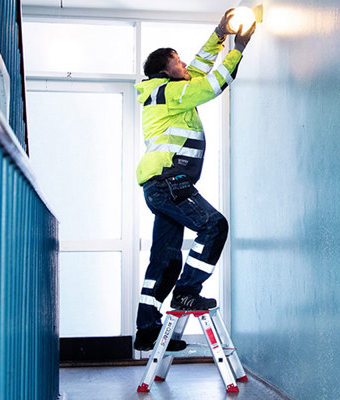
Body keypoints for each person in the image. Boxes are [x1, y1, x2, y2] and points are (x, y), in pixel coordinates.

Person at [132, 10, 257, 352]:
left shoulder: (169, 89)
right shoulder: (167, 92)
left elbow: (198, 69)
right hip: (169, 182)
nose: (185, 64)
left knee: (166, 258)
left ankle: (147, 330)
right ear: (164, 69)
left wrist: (219, 34)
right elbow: (211, 84)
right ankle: (187, 293)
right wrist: (238, 48)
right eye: (179, 62)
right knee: (215, 226)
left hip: (162, 185)